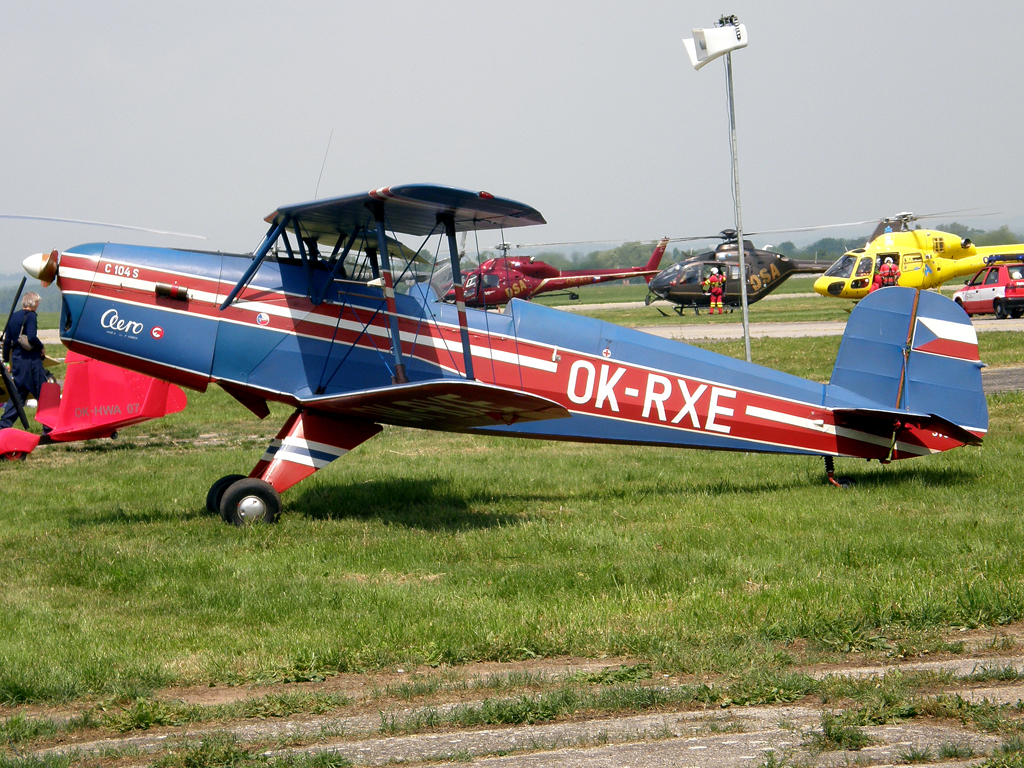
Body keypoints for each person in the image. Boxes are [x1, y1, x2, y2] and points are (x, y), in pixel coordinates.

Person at [1, 292, 48, 429]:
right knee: (43, 391)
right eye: (37, 303)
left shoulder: (13, 317)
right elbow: (32, 337)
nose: (38, 305)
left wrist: (7, 361)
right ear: (33, 303)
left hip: (16, 359)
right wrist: (41, 347)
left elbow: (7, 342)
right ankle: (49, 426)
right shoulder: (31, 316)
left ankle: (3, 425)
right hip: (30, 360)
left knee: (20, 393)